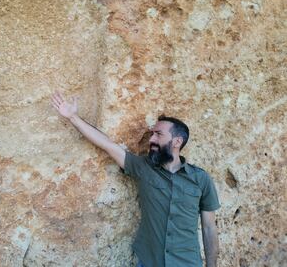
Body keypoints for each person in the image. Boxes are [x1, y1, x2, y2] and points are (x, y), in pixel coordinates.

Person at [51, 91, 220, 267]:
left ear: (177, 142)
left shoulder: (201, 179)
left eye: (158, 135)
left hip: (187, 263)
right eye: (152, 134)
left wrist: (211, 265)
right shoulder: (143, 167)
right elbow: (107, 144)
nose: (151, 139)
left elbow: (209, 228)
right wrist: (73, 117)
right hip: (150, 262)